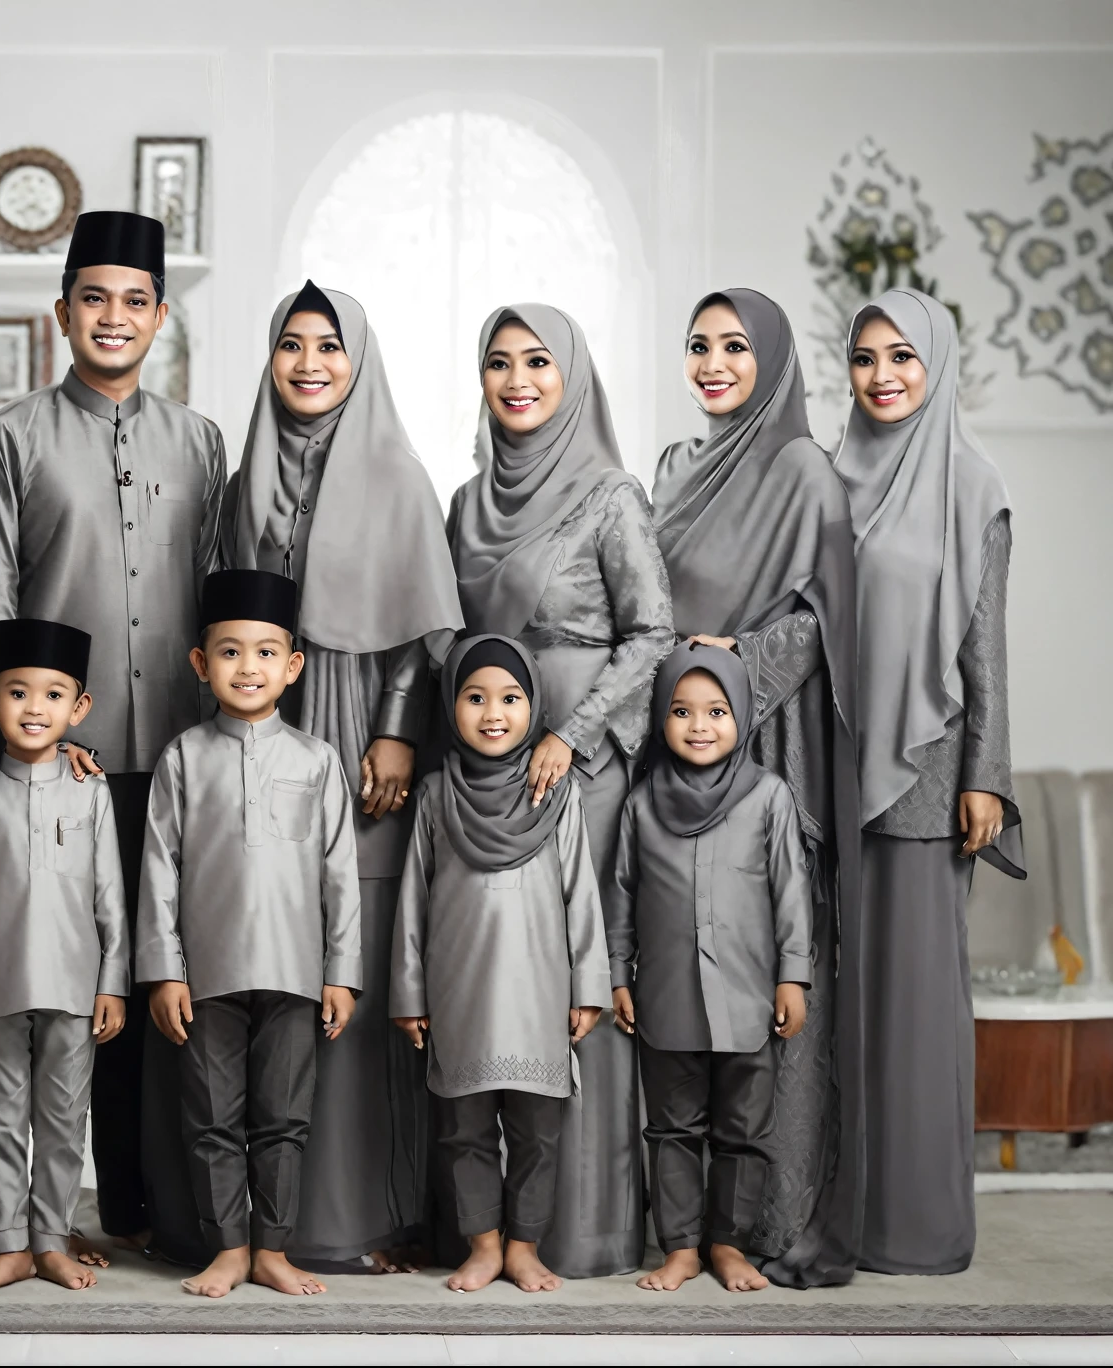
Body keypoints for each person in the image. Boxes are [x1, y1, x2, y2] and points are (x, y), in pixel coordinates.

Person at [0, 210, 227, 1253]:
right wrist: (25, 739)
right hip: (55, 767)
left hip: (173, 759)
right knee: (59, 983)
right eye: (93, 298)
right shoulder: (13, 436)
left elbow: (218, 605)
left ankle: (150, 1204)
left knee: (160, 976)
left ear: (159, 315)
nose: (113, 318)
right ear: (62, 311)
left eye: (134, 301)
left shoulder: (201, 442)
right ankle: (30, 1213)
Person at [225, 281, 461, 1272]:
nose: (310, 362)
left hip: (366, 740)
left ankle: (364, 1210)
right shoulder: (247, 476)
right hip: (263, 735)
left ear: (360, 363)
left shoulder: (399, 474)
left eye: (331, 345)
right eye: (292, 343)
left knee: (352, 963)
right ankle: (259, 1213)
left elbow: (415, 630)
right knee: (267, 957)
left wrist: (399, 731)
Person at [445, 302, 673, 1278]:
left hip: (579, 771)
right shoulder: (465, 501)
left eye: (539, 361)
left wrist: (574, 738)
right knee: (484, 972)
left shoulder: (611, 494)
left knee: (576, 974)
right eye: (499, 363)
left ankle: (582, 1226)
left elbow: (654, 633)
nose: (518, 380)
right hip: (485, 761)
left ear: (573, 377)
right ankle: (478, 1228)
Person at [648, 288, 862, 1288]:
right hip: (675, 745)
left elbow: (825, 621)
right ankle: (679, 1226)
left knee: (767, 994)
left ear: (772, 359)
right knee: (676, 999)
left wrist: (733, 669)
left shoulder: (805, 471)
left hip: (765, 755)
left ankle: (776, 1218)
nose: (714, 363)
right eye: (699, 346)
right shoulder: (675, 469)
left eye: (736, 346)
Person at [836, 288, 1021, 1277]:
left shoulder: (972, 484)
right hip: (829, 776)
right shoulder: (828, 479)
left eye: (903, 357)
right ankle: (840, 1222)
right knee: (841, 1015)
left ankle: (918, 1229)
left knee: (915, 1014)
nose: (883, 376)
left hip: (924, 783)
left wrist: (984, 774)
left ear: (937, 363)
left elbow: (986, 647)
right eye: (865, 359)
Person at [133, 569, 363, 1298]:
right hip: (206, 973)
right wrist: (165, 971)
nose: (248, 667)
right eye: (229, 652)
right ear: (202, 665)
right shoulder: (181, 758)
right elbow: (159, 872)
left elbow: (340, 876)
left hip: (296, 972)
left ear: (292, 667)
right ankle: (227, 1246)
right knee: (210, 1118)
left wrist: (341, 971)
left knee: (284, 1119)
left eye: (266, 652)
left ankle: (273, 1247)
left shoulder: (317, 759)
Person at [389, 634, 609, 1294]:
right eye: (475, 697)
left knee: (539, 1129)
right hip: (460, 989)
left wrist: (588, 983)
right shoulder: (435, 795)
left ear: (534, 705)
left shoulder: (556, 791)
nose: (493, 713)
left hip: (540, 989)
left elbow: (582, 893)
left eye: (511, 698)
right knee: (463, 1128)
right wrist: (409, 993)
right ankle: (483, 1246)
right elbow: (412, 901)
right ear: (450, 706)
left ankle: (524, 1247)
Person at [0, 618, 129, 1294]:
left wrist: (114, 982)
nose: (34, 708)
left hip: (76, 987)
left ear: (78, 710)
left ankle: (51, 1239)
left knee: (66, 1118)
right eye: (18, 692)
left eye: (53, 696)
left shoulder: (91, 792)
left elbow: (111, 897)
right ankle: (9, 1242)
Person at [610, 643, 813, 1293]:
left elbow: (790, 893)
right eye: (682, 711)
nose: (699, 726)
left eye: (717, 711)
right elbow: (620, 892)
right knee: (670, 1129)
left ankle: (728, 1244)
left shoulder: (769, 798)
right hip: (666, 998)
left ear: (743, 716)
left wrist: (793, 976)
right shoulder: (642, 804)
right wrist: (617, 972)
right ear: (662, 720)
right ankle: (680, 1249)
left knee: (744, 1132)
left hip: (749, 997)